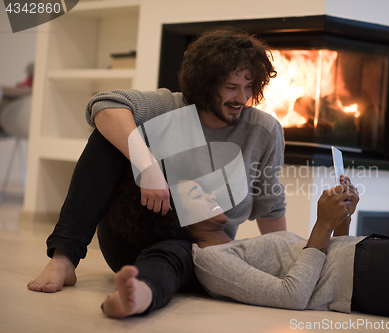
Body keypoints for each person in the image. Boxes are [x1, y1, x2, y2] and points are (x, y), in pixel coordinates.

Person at [27, 28, 287, 316]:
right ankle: (64, 257)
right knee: (108, 138)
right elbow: (103, 104)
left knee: (176, 254)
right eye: (231, 87)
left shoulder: (264, 131)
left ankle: (138, 294)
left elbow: (269, 204)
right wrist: (148, 167)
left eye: (249, 87)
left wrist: (282, 262)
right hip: (131, 240)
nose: (243, 97)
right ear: (205, 84)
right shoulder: (170, 106)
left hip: (196, 248)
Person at [184, 153, 389, 318]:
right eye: (199, 196)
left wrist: (342, 218)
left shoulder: (237, 244)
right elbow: (291, 296)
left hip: (376, 252)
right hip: (374, 277)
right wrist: (322, 225)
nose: (213, 195)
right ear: (180, 219)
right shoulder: (210, 261)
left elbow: (329, 258)